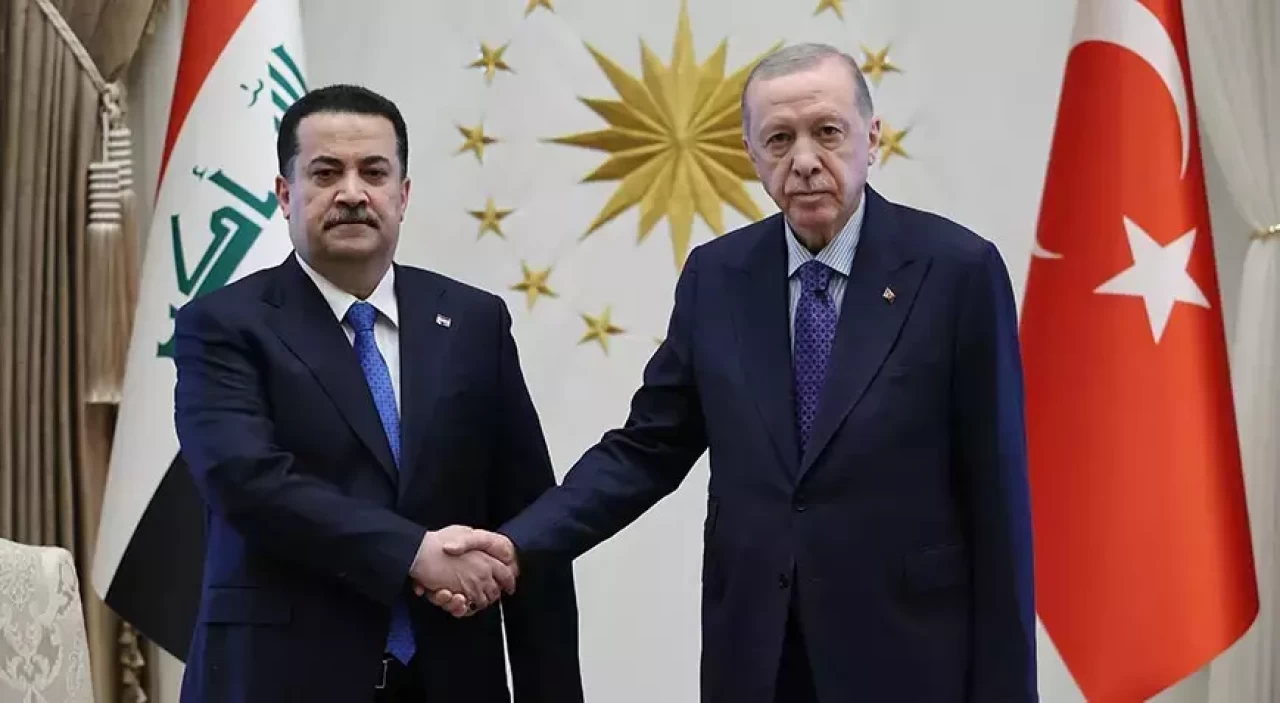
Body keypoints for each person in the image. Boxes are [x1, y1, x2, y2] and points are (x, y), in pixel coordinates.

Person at [433, 43, 1037, 702]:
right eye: (779, 139)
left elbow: (997, 498)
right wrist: (517, 544)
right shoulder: (717, 277)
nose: (804, 160)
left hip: (908, 660)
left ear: (872, 137)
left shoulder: (957, 271)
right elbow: (647, 448)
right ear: (751, 154)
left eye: (827, 132)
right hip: (757, 656)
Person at [172, 84, 583, 703]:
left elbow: (526, 519)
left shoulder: (474, 321)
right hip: (280, 680)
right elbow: (246, 481)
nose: (352, 193)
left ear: (403, 194)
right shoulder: (223, 325)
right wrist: (413, 553)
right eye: (325, 173)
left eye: (373, 172)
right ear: (285, 194)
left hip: (452, 681)